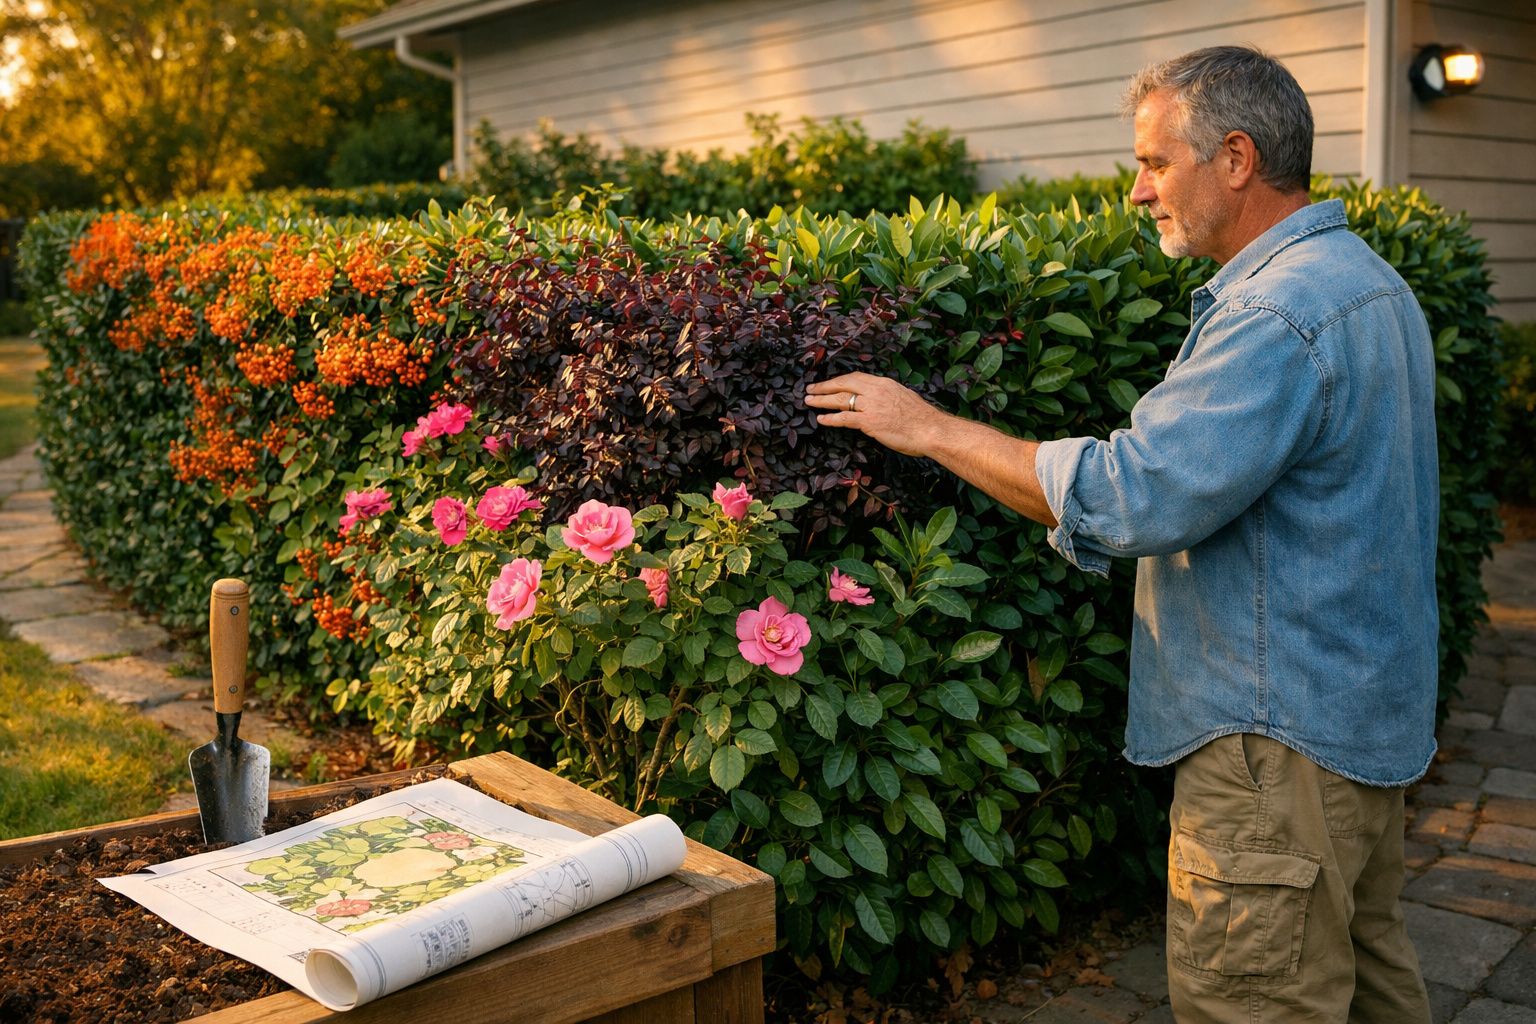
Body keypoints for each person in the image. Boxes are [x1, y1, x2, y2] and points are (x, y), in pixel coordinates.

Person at [805, 45, 1438, 1023]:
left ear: (1235, 157)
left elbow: (1135, 495)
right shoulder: (1367, 282)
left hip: (1275, 750)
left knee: (1253, 1003)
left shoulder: (1275, 311)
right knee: (1369, 993)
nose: (1138, 191)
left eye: (1153, 162)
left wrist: (927, 427)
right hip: (1356, 733)